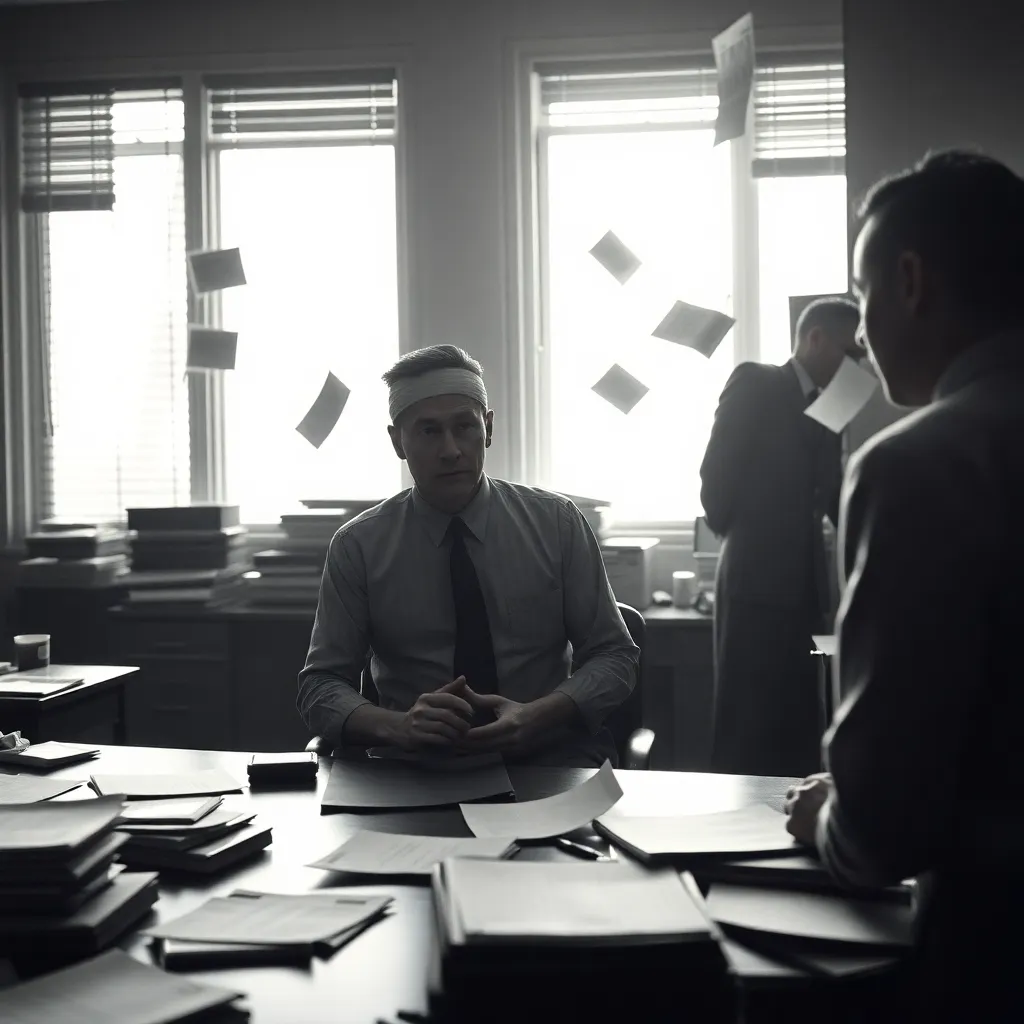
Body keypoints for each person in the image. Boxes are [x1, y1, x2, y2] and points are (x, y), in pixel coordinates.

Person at [785, 151, 1024, 1021]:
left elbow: (886, 828)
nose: (858, 334)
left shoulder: (920, 463)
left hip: (993, 947)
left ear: (912, 280)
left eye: (863, 292)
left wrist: (828, 821)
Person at [297, 344, 639, 767]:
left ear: (488, 429)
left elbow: (615, 657)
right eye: (428, 431)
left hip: (547, 756)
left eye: (464, 426)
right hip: (413, 767)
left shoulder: (557, 523)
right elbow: (320, 684)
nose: (451, 450)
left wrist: (538, 714)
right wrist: (397, 725)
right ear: (396, 442)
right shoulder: (358, 546)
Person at [699, 297, 861, 778]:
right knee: (746, 718)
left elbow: (833, 494)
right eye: (850, 353)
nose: (856, 366)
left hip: (809, 592)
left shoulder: (834, 402)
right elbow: (716, 476)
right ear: (815, 339)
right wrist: (750, 538)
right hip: (754, 580)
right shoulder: (757, 380)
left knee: (801, 718)